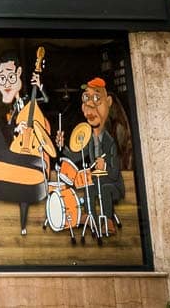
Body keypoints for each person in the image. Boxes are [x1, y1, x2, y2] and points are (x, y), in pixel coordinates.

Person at [58, 77, 125, 231]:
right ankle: (90, 218)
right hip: (96, 181)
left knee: (105, 188)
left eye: (96, 99)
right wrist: (62, 147)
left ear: (108, 102)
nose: (90, 106)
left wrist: (105, 166)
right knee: (89, 187)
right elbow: (75, 157)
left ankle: (108, 221)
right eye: (86, 98)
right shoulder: (87, 138)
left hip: (113, 185)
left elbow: (115, 173)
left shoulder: (110, 141)